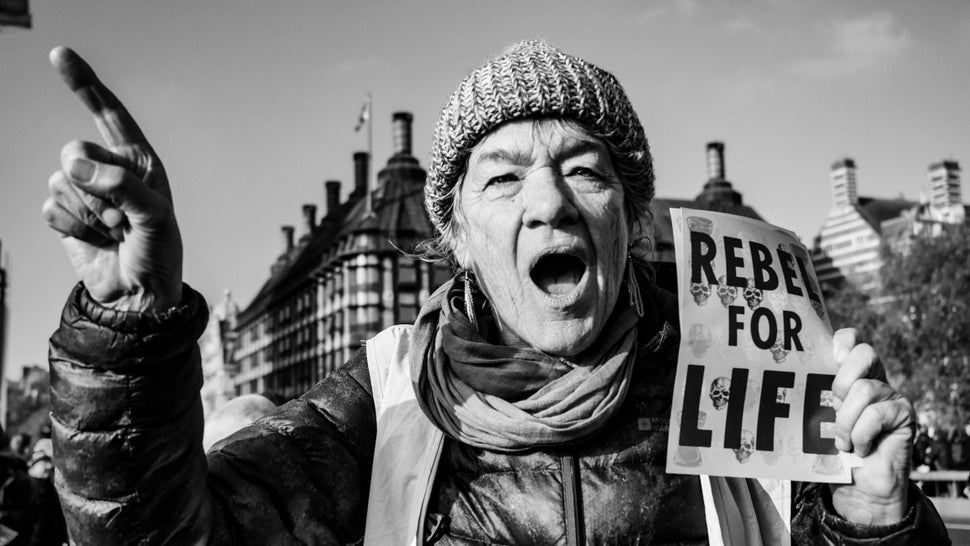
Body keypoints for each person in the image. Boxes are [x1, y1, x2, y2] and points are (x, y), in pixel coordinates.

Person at [41, 41, 948, 545]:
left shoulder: (736, 391)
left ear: (631, 220)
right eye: (503, 180)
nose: (549, 200)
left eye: (584, 171)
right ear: (460, 243)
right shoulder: (380, 401)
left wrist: (877, 523)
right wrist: (129, 332)